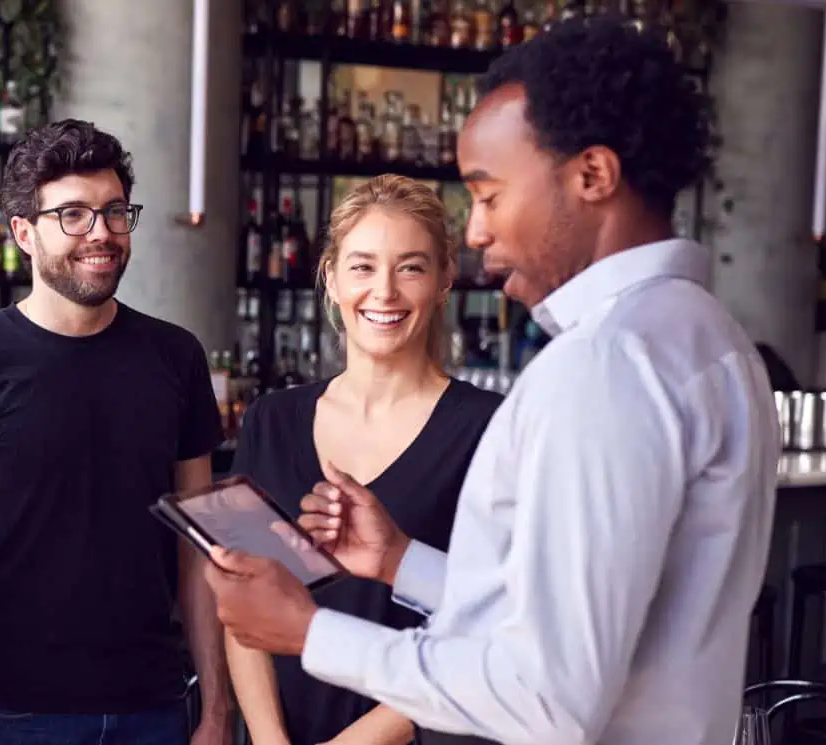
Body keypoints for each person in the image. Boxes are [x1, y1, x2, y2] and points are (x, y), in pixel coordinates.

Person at [205, 16, 779, 745]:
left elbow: (547, 696)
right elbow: (570, 624)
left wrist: (311, 631)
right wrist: (397, 560)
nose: (475, 232)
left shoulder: (604, 365)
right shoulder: (713, 339)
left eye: (490, 193)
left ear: (592, 176)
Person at [0, 119, 231, 745]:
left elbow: (198, 546)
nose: (102, 234)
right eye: (75, 216)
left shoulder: (176, 357)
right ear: (25, 234)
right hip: (10, 707)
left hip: (154, 702)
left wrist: (217, 707)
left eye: (114, 212)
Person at [226, 176, 504, 745]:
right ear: (330, 277)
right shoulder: (271, 420)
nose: (384, 292)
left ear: (444, 280)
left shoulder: (492, 428)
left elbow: (491, 626)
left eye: (410, 267)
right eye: (362, 266)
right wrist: (268, 739)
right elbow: (241, 596)